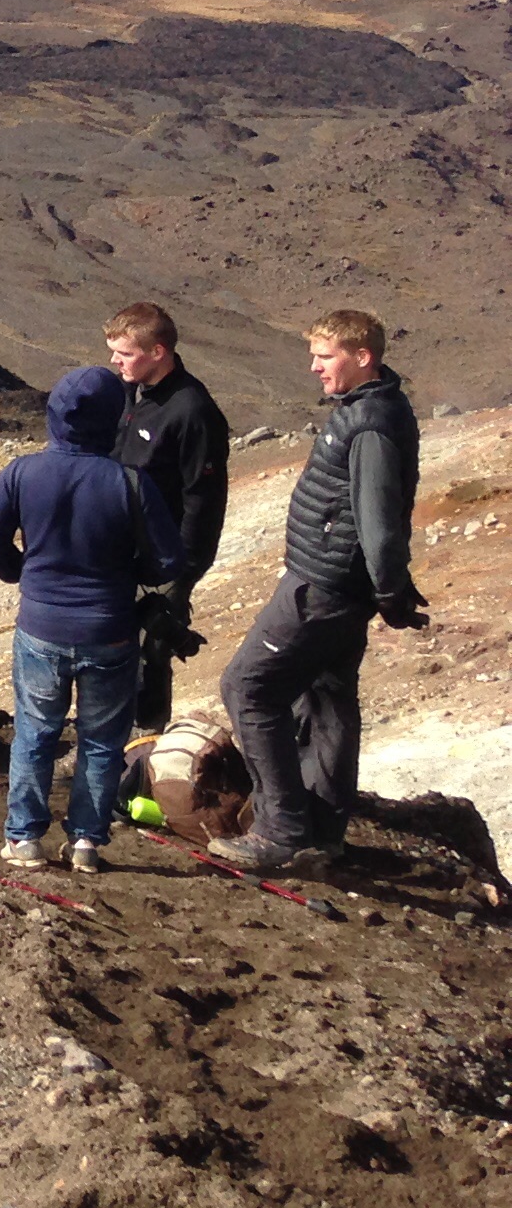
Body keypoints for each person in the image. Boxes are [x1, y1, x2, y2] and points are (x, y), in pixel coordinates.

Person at [212, 311, 426, 873]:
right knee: (328, 698)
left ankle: (281, 831)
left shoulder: (371, 423)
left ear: (363, 357)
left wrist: (391, 589)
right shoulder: (371, 409)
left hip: (323, 586)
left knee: (247, 687)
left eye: (325, 356)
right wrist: (386, 587)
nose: (314, 366)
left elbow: (379, 519)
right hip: (341, 584)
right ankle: (324, 832)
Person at [0, 366, 183, 872]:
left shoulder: (22, 473)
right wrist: (128, 574)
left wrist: (24, 575)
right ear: (114, 421)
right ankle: (86, 841)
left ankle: (24, 838)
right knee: (101, 741)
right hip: (110, 630)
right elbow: (168, 559)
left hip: (41, 627)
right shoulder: (128, 482)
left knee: (35, 732)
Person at [104, 301, 232, 731]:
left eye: (125, 353)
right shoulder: (128, 391)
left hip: (165, 554)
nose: (115, 361)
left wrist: (185, 570)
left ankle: (142, 755)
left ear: (158, 352)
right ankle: (108, 747)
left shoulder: (192, 410)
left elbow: (205, 497)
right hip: (122, 548)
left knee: (149, 653)